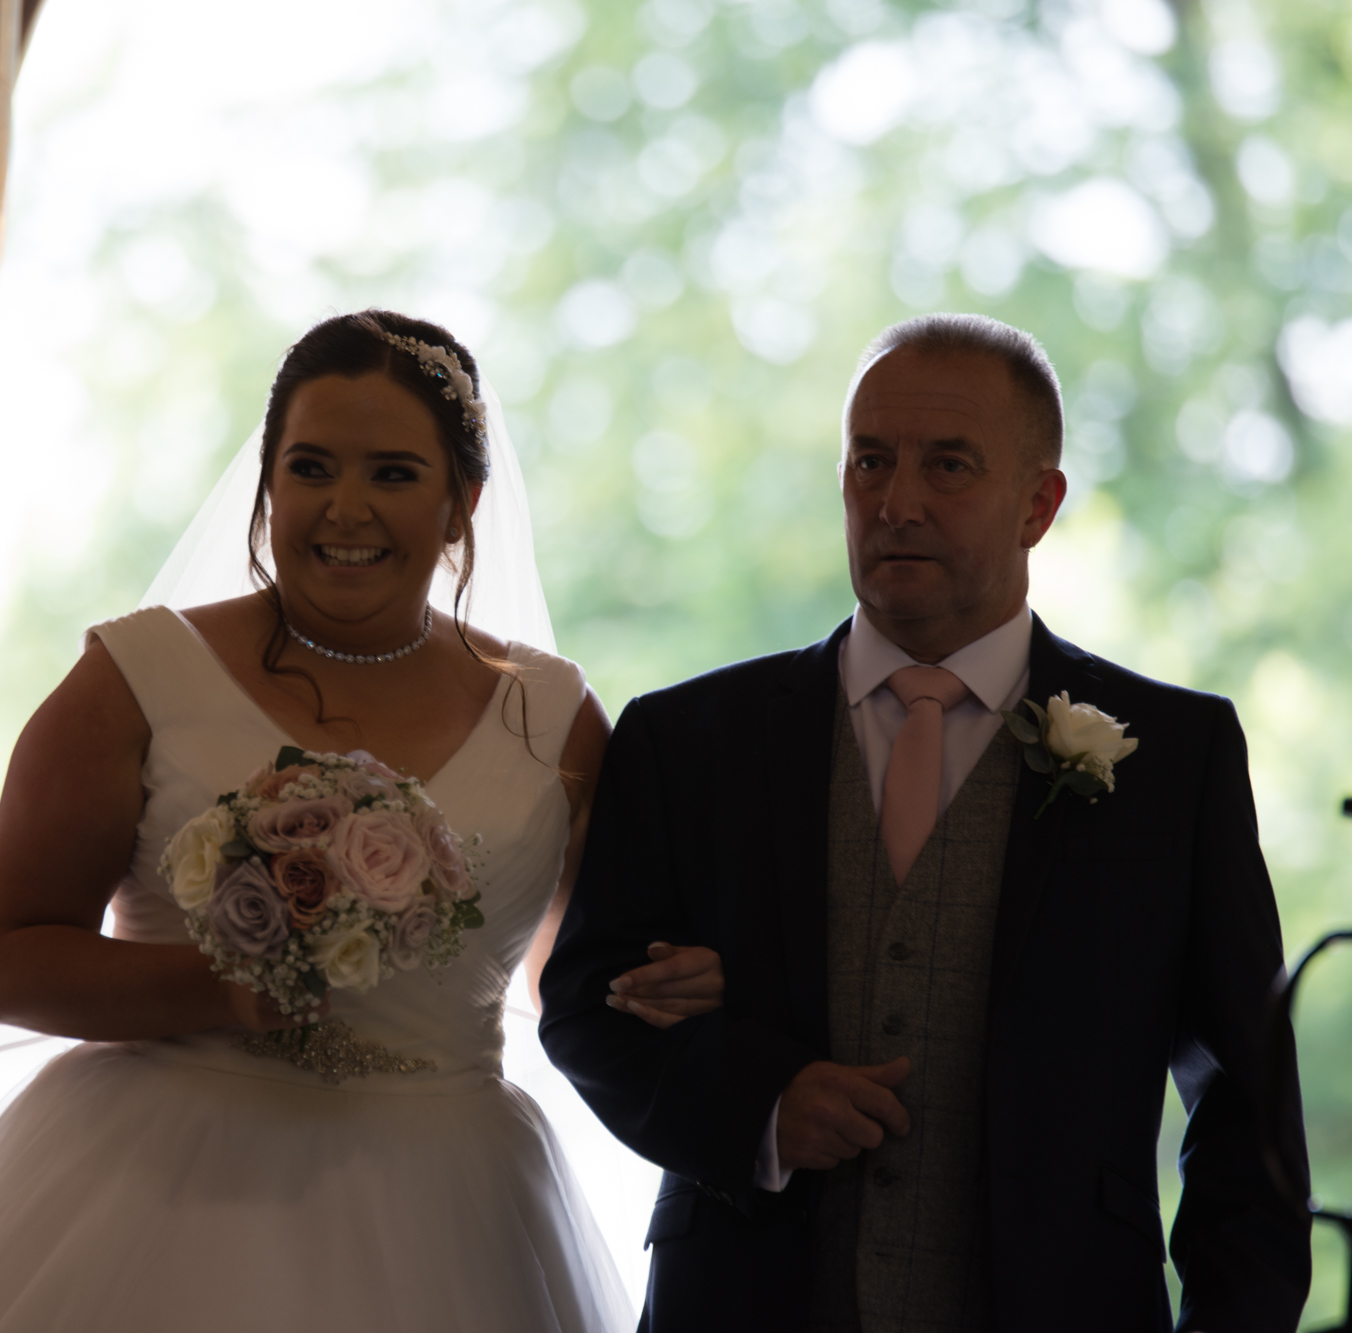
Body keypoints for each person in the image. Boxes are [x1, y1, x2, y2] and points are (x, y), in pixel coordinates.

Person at [0, 310, 718, 1332]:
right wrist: (219, 988)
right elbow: (4, 967)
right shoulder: (138, 678)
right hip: (147, 1192)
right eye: (309, 467)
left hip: (450, 1211)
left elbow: (583, 979)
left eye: (391, 473)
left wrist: (666, 983)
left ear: (461, 502)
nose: (344, 508)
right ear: (267, 482)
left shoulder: (552, 716)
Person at [540, 313, 1311, 1331]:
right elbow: (584, 1008)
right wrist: (758, 1107)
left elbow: (1242, 1098)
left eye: (946, 464)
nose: (895, 501)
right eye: (869, 461)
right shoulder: (685, 738)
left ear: (1037, 503)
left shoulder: (1175, 754)